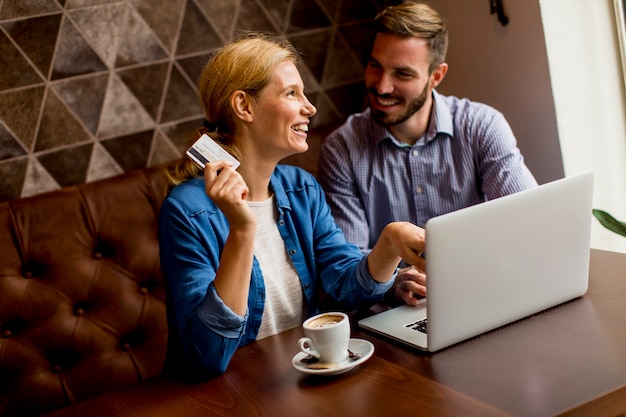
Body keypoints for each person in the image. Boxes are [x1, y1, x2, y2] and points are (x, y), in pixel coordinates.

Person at [158, 33, 426, 377]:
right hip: (228, 395)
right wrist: (241, 231)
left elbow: (345, 285)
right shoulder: (187, 211)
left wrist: (389, 243)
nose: (309, 107)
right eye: (291, 94)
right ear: (244, 106)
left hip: (299, 379)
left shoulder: (301, 188)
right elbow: (205, 356)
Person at [317, 1, 538, 306]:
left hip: (484, 292)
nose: (381, 86)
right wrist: (393, 281)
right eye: (375, 66)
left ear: (436, 76)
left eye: (402, 75)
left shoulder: (482, 127)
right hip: (398, 316)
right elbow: (346, 268)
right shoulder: (341, 149)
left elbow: (529, 223)